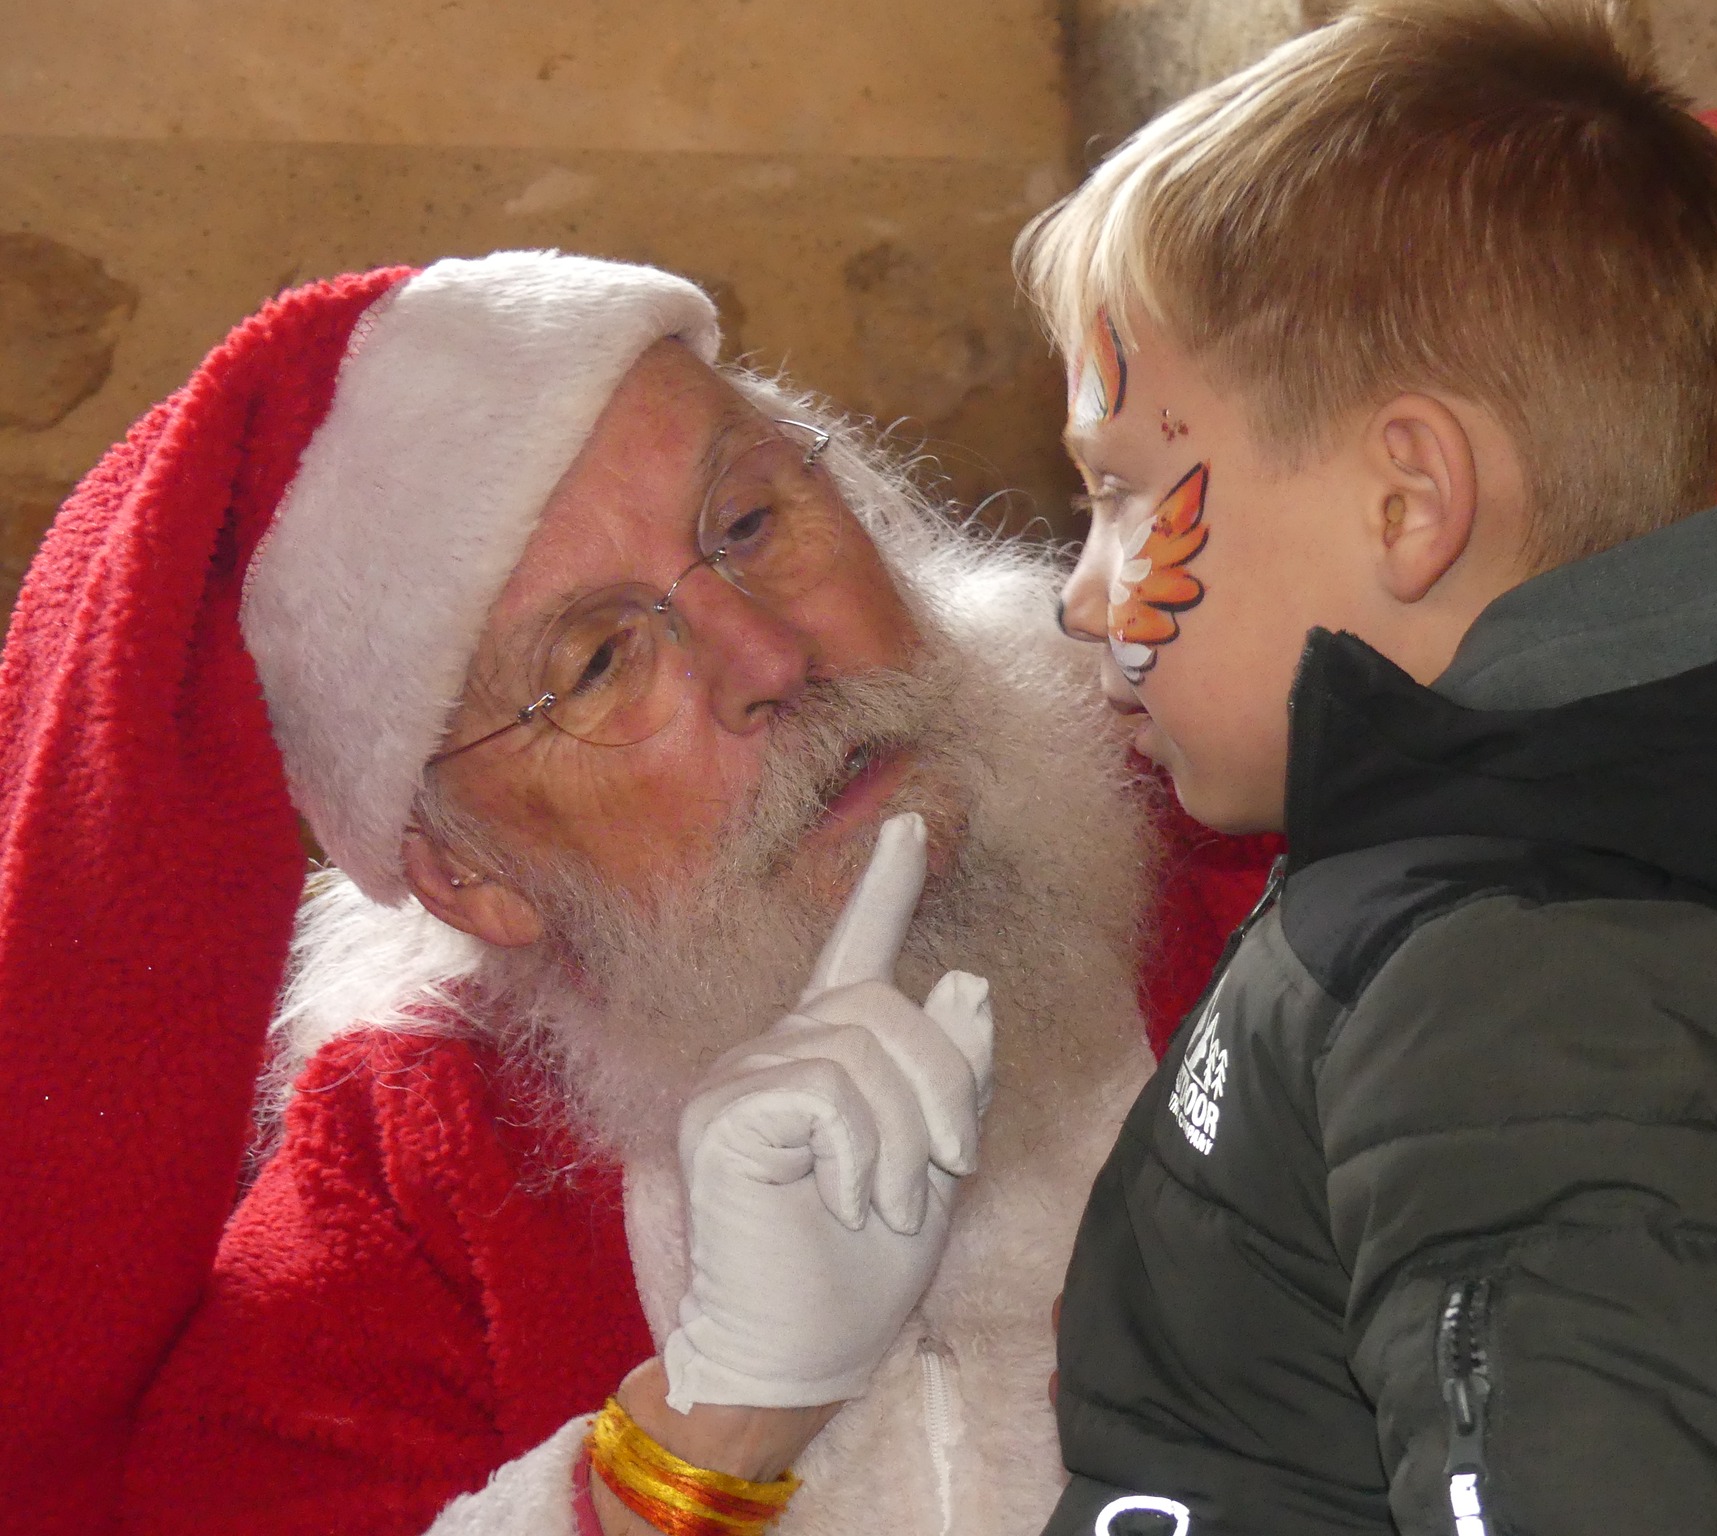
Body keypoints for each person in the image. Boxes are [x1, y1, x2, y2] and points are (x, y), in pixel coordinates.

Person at [0, 249, 1266, 1536]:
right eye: (601, 660)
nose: (771, 655)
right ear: (472, 879)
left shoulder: (1249, 838)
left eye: (754, 524)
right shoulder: (413, 1175)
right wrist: (716, 1421)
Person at [1018, 1, 1717, 1533]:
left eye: (1118, 491)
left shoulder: (1557, 994)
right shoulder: (1509, 860)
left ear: (1407, 500)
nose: (1081, 592)